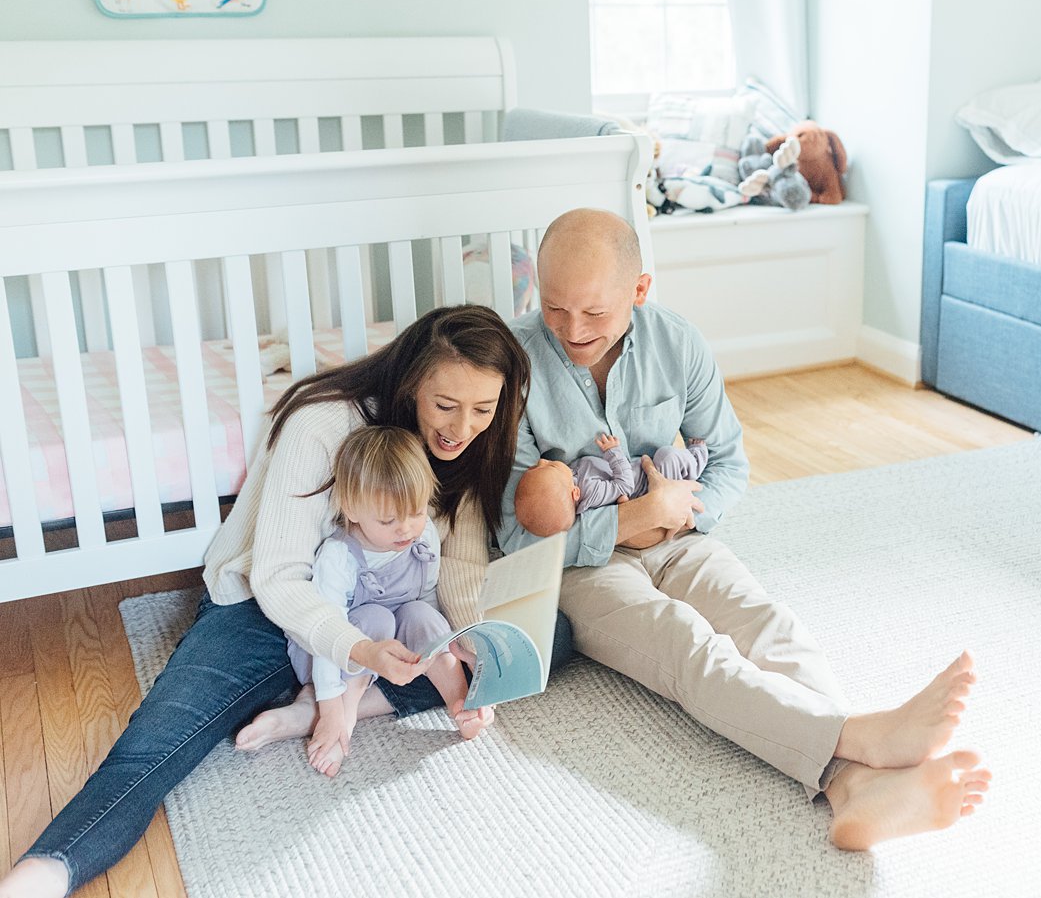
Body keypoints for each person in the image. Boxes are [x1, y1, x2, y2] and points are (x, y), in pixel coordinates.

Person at [0, 305, 572, 898]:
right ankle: (47, 870)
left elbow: (458, 559)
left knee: (544, 637)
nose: (462, 427)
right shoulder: (323, 425)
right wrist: (360, 649)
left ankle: (322, 705)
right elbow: (277, 578)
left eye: (483, 409)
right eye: (445, 406)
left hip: (393, 607)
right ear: (410, 386)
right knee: (163, 737)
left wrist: (472, 639)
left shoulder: (470, 443)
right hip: (269, 610)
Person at [499, 208, 991, 851]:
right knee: (686, 644)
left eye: (594, 313)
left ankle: (853, 786)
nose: (571, 329)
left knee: (764, 621)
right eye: (556, 308)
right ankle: (856, 745)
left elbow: (728, 460)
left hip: (680, 535)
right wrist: (629, 520)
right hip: (583, 567)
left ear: (640, 291)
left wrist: (678, 512)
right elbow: (515, 535)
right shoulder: (513, 364)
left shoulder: (677, 343)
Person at [289, 425, 492, 778]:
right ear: (351, 509)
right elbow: (323, 636)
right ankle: (342, 718)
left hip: (393, 651)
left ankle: (461, 703)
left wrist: (449, 645)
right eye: (388, 520)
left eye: (416, 512)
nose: (405, 529)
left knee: (421, 613)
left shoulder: (422, 534)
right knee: (377, 618)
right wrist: (330, 705)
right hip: (330, 654)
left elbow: (426, 596)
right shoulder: (339, 556)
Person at [513, 432, 708, 537]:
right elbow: (625, 486)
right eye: (551, 467)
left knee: (667, 456)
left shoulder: (572, 483)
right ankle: (699, 458)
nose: (541, 461)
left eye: (535, 468)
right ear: (575, 493)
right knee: (668, 456)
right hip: (647, 484)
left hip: (640, 470)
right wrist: (613, 452)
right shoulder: (591, 491)